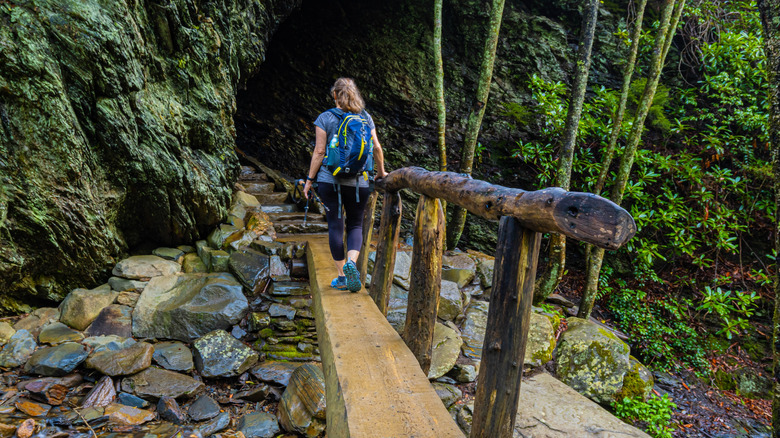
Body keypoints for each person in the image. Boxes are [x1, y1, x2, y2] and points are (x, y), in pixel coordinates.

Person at [303, 78, 388, 292]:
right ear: (355, 94)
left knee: (335, 225)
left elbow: (320, 152)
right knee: (355, 225)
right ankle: (352, 263)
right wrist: (381, 172)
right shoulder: (366, 118)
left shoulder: (325, 118)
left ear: (335, 95)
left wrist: (309, 180)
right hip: (359, 182)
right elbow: (376, 148)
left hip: (329, 180)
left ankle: (342, 276)